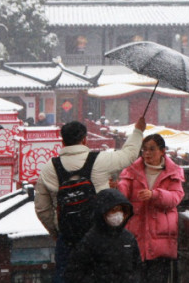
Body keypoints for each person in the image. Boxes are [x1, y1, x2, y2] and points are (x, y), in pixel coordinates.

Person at [35, 116, 145, 283]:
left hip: (68, 238)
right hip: (100, 237)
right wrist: (138, 131)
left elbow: (42, 209)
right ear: (84, 139)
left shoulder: (49, 169)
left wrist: (57, 231)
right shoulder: (100, 160)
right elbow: (129, 155)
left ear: (63, 142)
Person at [118, 134, 185, 282]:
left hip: (161, 240)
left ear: (162, 151)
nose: (147, 153)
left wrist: (155, 195)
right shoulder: (132, 170)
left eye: (152, 149)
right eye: (144, 150)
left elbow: (175, 198)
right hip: (136, 235)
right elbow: (124, 192)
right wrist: (116, 187)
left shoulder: (172, 173)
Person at [64, 188, 141, 283]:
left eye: (120, 210)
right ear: (103, 212)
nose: (117, 214)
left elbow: (137, 267)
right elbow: (74, 272)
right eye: (113, 210)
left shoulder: (128, 238)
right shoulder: (90, 240)